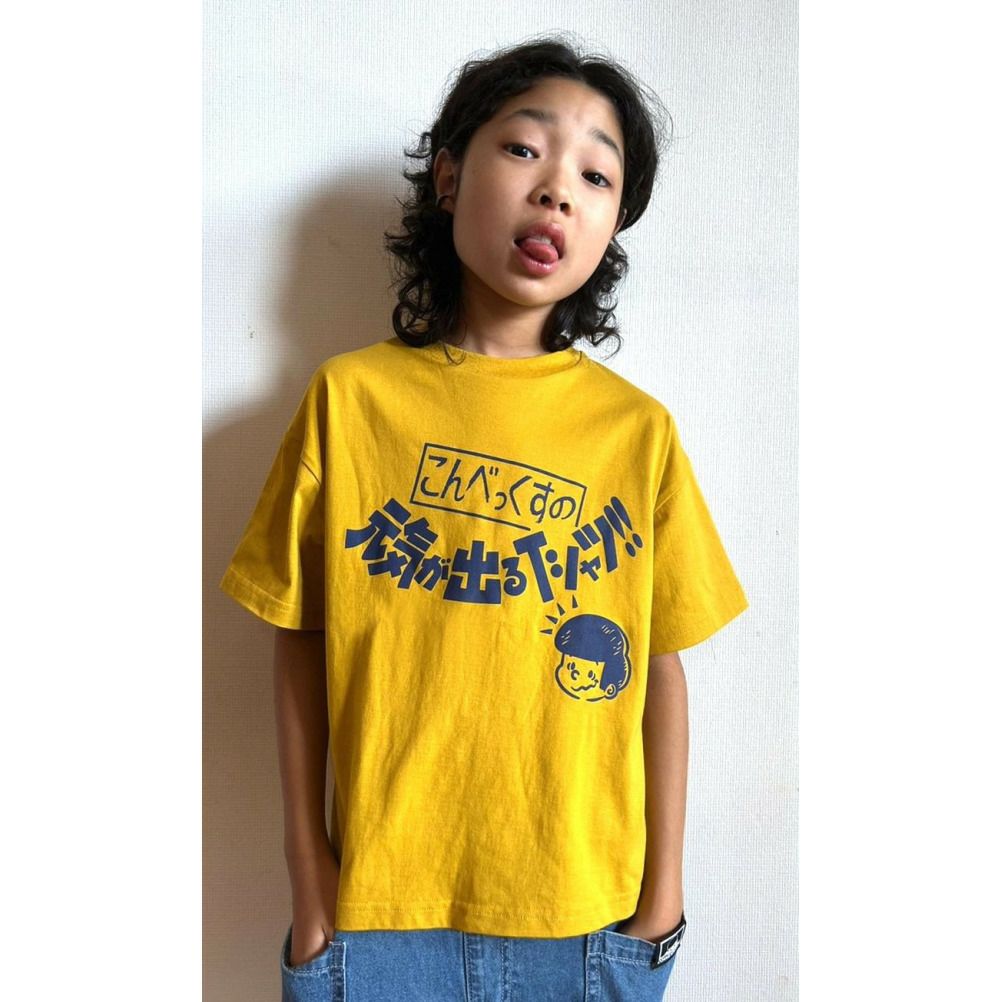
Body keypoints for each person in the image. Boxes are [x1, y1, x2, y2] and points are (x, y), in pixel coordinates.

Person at [220, 35, 748, 1002]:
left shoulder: (636, 433)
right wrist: (310, 872)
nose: (557, 191)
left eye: (596, 176)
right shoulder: (352, 402)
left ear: (611, 229)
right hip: (377, 918)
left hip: (588, 921)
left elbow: (660, 664)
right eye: (524, 149)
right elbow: (298, 633)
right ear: (450, 176)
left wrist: (663, 893)